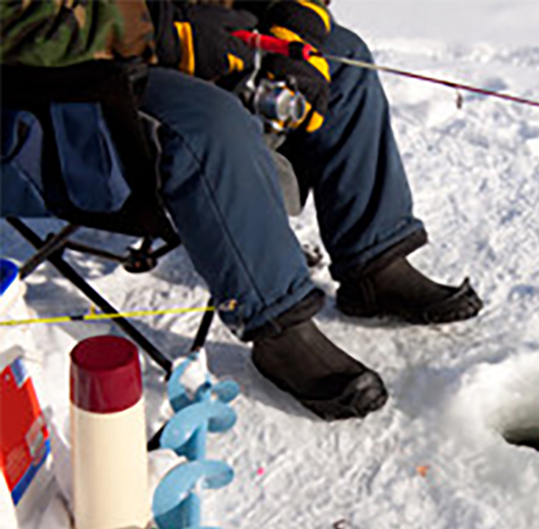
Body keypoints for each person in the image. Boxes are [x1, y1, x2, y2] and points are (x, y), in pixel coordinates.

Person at [1, 0, 483, 421]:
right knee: (211, 123)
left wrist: (299, 28)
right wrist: (163, 32)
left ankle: (375, 261)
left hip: (179, 42)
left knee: (344, 58)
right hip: (62, 83)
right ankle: (279, 329)